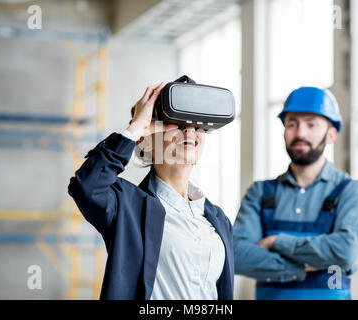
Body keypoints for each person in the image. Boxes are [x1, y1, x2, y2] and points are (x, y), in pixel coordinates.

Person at [68, 82, 234, 300]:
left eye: (197, 125)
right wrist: (136, 127)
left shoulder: (218, 219)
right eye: (174, 122)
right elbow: (86, 185)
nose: (189, 129)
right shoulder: (128, 207)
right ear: (144, 142)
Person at [233, 87, 358, 300]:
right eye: (292, 124)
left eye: (311, 124)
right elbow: (237, 256)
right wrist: (298, 268)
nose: (300, 133)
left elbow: (344, 252)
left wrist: (276, 242)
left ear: (331, 134)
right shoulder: (259, 193)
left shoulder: (351, 192)